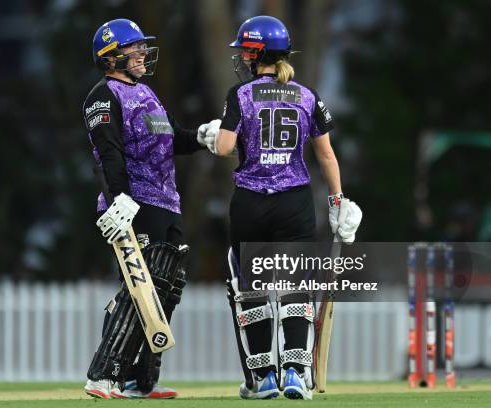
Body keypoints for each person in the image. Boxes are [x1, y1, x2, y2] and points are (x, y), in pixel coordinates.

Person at [209, 16, 362, 400]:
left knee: (254, 290)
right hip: (295, 203)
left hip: (250, 203)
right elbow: (326, 155)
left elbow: (226, 148)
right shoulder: (307, 95)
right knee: (295, 287)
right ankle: (295, 372)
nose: (242, 56)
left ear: (258, 53)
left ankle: (262, 378)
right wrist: (338, 201)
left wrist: (214, 135)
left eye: (246, 49)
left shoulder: (239, 95)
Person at [82, 19, 216, 399]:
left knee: (167, 290)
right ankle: (102, 374)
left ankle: (139, 380)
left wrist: (202, 138)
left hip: (167, 201)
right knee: (143, 287)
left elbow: (171, 138)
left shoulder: (146, 93)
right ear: (111, 57)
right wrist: (119, 198)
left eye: (142, 47)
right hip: (133, 203)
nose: (142, 53)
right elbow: (108, 153)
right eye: (134, 48)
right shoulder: (103, 95)